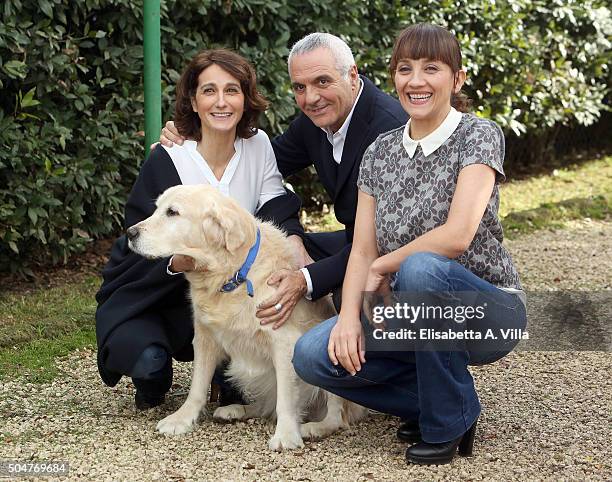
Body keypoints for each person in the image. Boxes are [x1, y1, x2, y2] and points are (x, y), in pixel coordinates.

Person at [291, 23, 527, 465]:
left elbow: (456, 236)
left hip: (489, 310)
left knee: (421, 268)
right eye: (405, 68)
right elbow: (362, 248)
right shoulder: (379, 152)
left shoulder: (478, 135)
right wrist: (347, 319)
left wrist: (385, 267)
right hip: (411, 314)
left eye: (431, 68)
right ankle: (449, 404)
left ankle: (443, 423)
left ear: (456, 79)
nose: (415, 81)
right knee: (312, 356)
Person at [95, 49, 303, 410]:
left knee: (239, 374)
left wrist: (296, 249)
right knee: (150, 366)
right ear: (193, 100)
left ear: (245, 97)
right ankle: (151, 379)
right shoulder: (170, 157)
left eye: (232, 90)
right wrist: (179, 263)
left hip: (225, 294)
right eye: (209, 91)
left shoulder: (258, 147)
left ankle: (221, 379)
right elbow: (140, 236)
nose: (221, 102)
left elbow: (275, 207)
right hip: (158, 292)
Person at [159, 33, 408, 327]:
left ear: (352, 75)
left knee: (348, 295)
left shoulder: (390, 128)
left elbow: (384, 241)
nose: (311, 98)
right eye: (300, 87)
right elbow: (258, 161)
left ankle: (377, 364)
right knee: (272, 252)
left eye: (322, 82)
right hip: (356, 242)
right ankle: (247, 339)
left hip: (402, 255)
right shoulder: (316, 120)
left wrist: (306, 278)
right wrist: (195, 139)